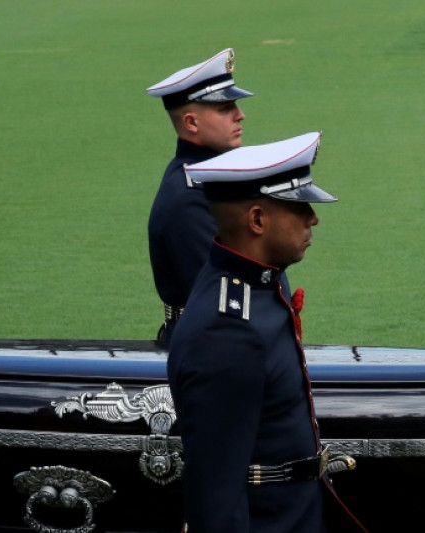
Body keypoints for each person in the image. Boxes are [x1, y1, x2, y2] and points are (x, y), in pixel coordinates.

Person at [167, 132, 366, 532]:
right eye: (299, 206)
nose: (313, 218)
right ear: (257, 220)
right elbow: (215, 498)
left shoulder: (259, 284)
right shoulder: (226, 333)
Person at [146, 48, 254, 349]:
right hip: (208, 349)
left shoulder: (213, 180)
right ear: (191, 123)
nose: (240, 115)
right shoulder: (190, 199)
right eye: (225, 108)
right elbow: (223, 299)